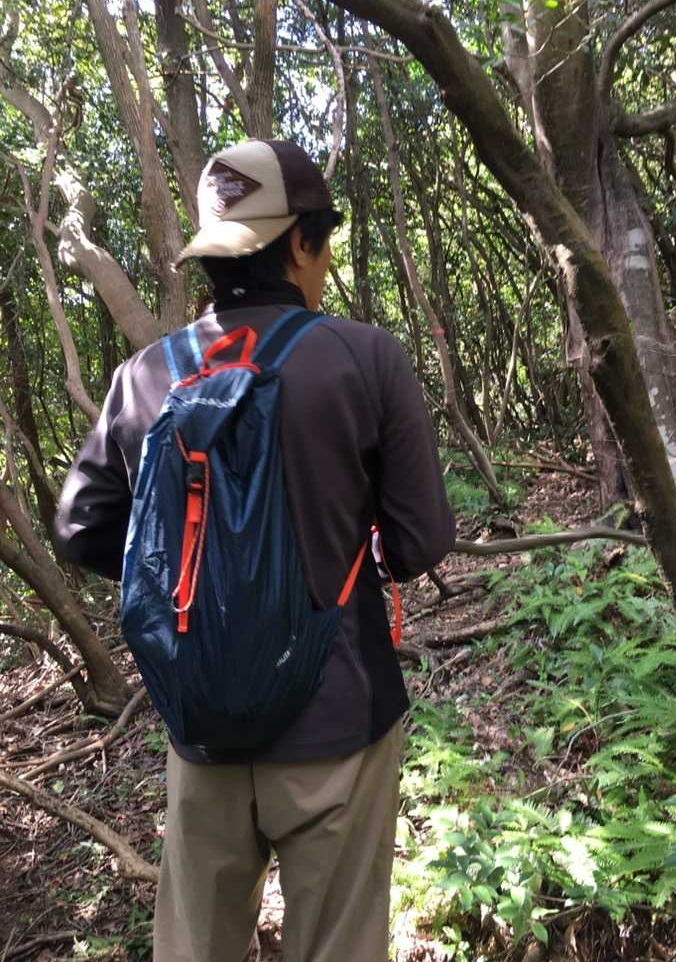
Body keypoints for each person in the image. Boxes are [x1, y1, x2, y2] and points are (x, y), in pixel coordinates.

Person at [54, 138, 455, 962]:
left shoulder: (145, 375)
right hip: (340, 722)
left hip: (202, 729)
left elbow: (81, 527)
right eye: (324, 240)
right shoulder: (365, 358)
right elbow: (420, 540)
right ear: (300, 243)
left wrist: (181, 585)